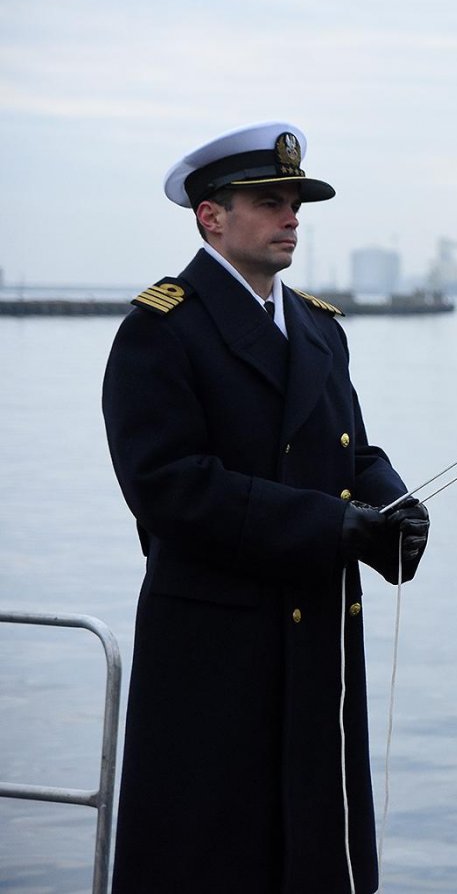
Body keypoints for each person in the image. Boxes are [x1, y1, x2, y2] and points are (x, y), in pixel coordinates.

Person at [102, 121, 430, 893]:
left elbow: (352, 452)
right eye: (269, 202)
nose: (291, 218)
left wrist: (395, 511)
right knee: (209, 847)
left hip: (315, 630)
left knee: (313, 846)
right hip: (215, 639)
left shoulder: (317, 327)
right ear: (210, 216)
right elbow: (167, 485)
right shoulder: (161, 329)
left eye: (296, 204)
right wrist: (329, 525)